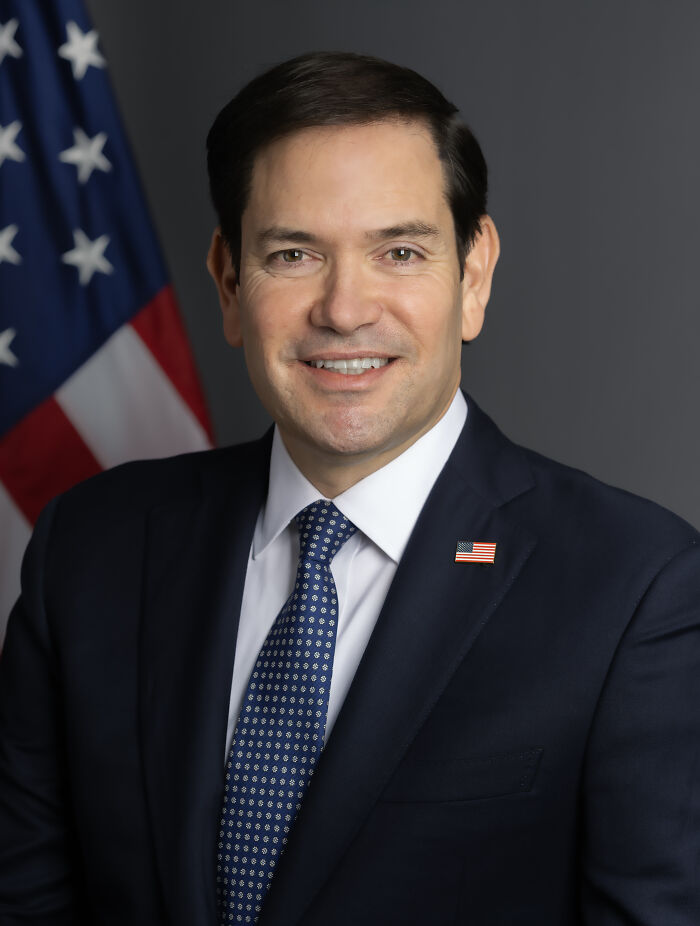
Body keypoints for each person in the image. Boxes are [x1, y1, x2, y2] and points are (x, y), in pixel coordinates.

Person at [1, 51, 699, 926]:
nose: (344, 308)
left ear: (473, 275)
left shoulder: (636, 589)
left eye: (399, 251)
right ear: (228, 280)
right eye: (293, 254)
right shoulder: (88, 552)